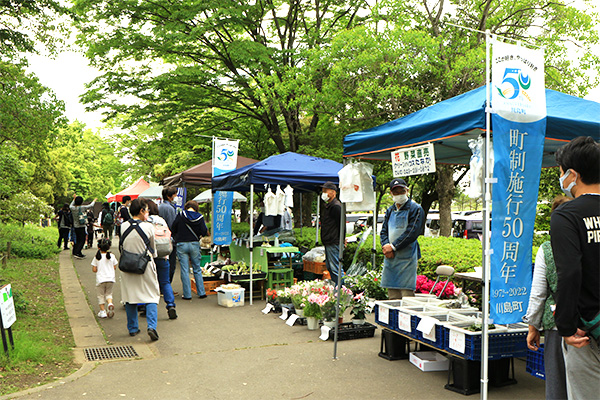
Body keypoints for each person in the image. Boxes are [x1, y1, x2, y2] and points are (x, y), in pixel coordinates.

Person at [550, 136, 600, 400]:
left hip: (588, 332)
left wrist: (567, 326)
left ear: (573, 174)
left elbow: (569, 272)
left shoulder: (567, 215)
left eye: (561, 172)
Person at [524, 195, 570, 400]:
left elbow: (538, 293)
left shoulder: (547, 249)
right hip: (590, 324)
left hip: (557, 325)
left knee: (556, 384)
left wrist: (533, 327)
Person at [120, 198, 161, 340]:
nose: (148, 212)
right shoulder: (148, 227)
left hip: (127, 266)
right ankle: (151, 326)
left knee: (130, 297)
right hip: (145, 266)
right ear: (142, 211)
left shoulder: (123, 226)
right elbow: (153, 249)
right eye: (147, 210)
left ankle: (132, 328)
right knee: (151, 295)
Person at [380, 178, 425, 300]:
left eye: (401, 191)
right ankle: (393, 318)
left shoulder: (416, 209)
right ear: (391, 193)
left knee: (406, 295)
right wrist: (385, 246)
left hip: (407, 257)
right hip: (390, 256)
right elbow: (383, 231)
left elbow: (412, 232)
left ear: (407, 191)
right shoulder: (390, 210)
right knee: (392, 293)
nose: (399, 194)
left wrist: (393, 246)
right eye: (396, 192)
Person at [171, 200, 208, 300]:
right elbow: (204, 231)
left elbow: (173, 228)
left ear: (187, 206)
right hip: (194, 244)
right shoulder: (200, 217)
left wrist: (177, 236)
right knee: (197, 268)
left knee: (184, 269)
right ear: (196, 208)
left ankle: (187, 295)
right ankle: (201, 292)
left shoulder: (180, 215)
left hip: (182, 244)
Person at [147, 201, 177, 320]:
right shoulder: (162, 220)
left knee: (149, 283)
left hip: (150, 257)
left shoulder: (146, 221)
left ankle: (146, 307)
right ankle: (170, 305)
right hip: (164, 256)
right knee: (165, 282)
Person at [320, 181, 345, 285]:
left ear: (333, 192)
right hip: (329, 241)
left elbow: (341, 224)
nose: (324, 193)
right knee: (330, 267)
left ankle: (343, 290)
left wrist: (342, 240)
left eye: (326, 191)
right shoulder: (329, 206)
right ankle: (339, 289)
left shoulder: (336, 206)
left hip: (334, 241)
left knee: (335, 268)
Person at [92, 238, 118, 319]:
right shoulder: (112, 256)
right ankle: (110, 303)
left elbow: (94, 269)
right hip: (110, 278)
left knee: (100, 295)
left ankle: (102, 311)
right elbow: (114, 267)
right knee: (108, 293)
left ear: (98, 247)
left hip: (101, 279)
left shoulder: (97, 257)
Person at [158, 187, 179, 284]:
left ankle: (162, 286)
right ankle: (167, 287)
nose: (176, 197)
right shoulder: (169, 208)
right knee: (171, 264)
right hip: (169, 240)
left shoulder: (160, 207)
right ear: (169, 196)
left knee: (161, 263)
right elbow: (172, 225)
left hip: (159, 239)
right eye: (174, 195)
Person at [70, 195, 97, 259]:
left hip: (75, 226)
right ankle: (78, 252)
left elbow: (70, 205)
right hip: (81, 226)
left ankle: (76, 252)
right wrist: (94, 200)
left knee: (77, 239)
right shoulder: (83, 207)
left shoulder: (72, 208)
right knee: (82, 240)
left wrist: (74, 199)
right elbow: (90, 205)